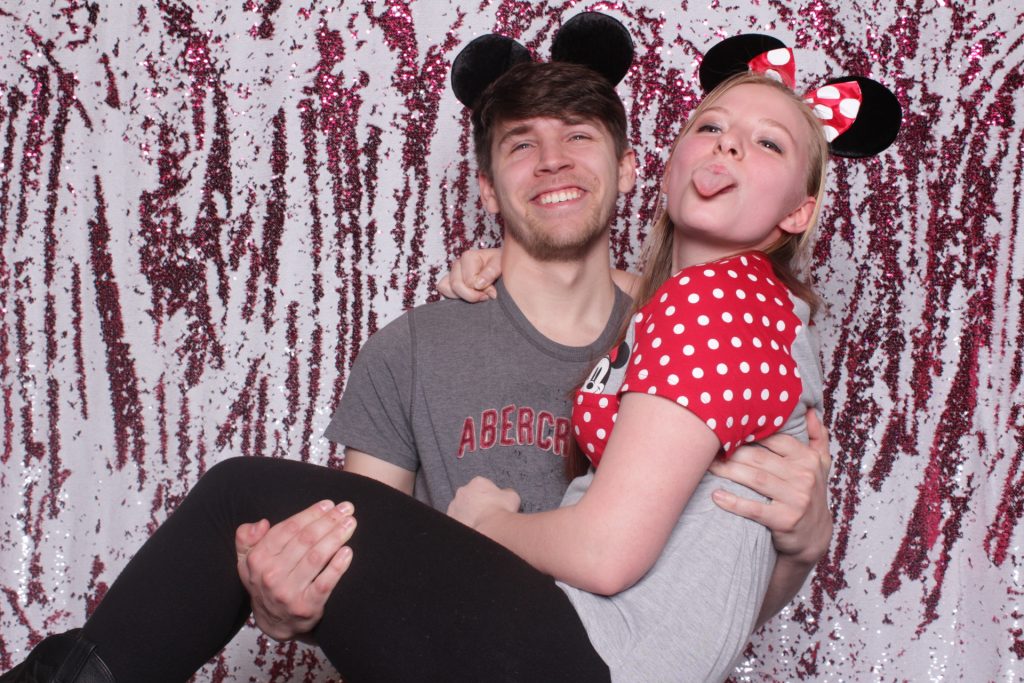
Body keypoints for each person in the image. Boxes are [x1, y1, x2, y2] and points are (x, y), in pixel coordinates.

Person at [0, 36, 859, 683]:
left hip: (590, 652)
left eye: (579, 137)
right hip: (532, 651)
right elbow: (370, 575)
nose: (553, 160)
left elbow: (641, 565)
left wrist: (801, 545)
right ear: (485, 187)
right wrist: (282, 601)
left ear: (635, 170)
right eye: (521, 143)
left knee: (239, 487)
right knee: (267, 510)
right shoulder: (416, 348)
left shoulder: (705, 310)